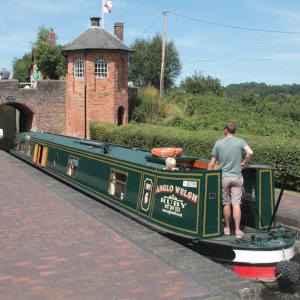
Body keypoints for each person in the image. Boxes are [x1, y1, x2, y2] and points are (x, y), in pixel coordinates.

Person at [208, 121, 253, 239]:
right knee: (236, 204)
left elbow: (212, 162)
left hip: (225, 177)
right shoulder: (240, 141)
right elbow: (250, 152)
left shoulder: (218, 143)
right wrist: (244, 162)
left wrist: (208, 175)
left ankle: (227, 228)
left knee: (226, 204)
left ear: (226, 130)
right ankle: (238, 230)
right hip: (237, 177)